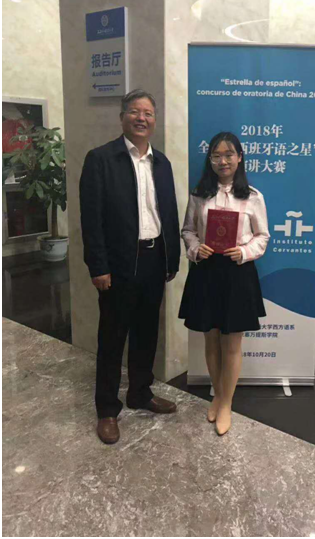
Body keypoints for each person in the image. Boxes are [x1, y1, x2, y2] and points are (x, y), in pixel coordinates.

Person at [80, 89, 180, 444]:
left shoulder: (162, 163)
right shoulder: (101, 159)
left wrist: (171, 259)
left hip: (154, 259)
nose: (142, 118)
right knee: (112, 336)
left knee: (146, 332)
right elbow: (91, 219)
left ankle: (140, 392)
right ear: (122, 116)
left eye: (148, 113)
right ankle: (107, 409)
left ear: (154, 120)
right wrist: (98, 265)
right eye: (135, 111)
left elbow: (168, 213)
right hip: (119, 263)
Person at [179, 132, 270, 436]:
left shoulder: (253, 196)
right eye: (216, 155)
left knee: (231, 343)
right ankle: (217, 395)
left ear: (239, 157)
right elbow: (188, 230)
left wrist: (244, 252)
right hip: (206, 271)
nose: (223, 161)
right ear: (210, 160)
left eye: (229, 154)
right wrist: (196, 248)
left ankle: (227, 403)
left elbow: (263, 236)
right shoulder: (199, 194)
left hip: (237, 272)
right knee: (211, 339)